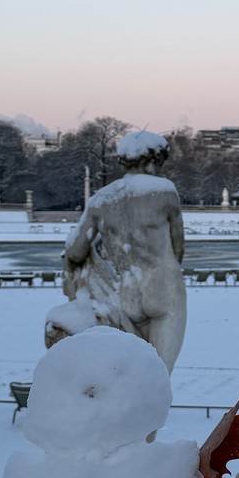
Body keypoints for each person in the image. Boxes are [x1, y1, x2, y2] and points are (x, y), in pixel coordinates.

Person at [46, 131, 187, 375]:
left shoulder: (101, 199)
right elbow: (178, 248)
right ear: (155, 159)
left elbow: (76, 252)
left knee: (129, 375)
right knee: (158, 376)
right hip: (164, 288)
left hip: (125, 293)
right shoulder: (164, 191)